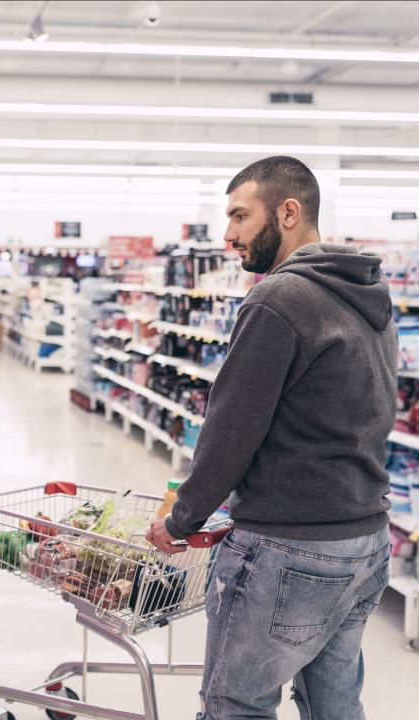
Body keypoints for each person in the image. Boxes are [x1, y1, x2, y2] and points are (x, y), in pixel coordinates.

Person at [146, 156, 396, 720]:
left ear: (288, 212)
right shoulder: (368, 295)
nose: (228, 234)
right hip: (363, 540)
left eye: (239, 215)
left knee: (236, 705)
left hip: (289, 547)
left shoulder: (279, 299)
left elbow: (231, 430)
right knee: (333, 705)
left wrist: (182, 519)